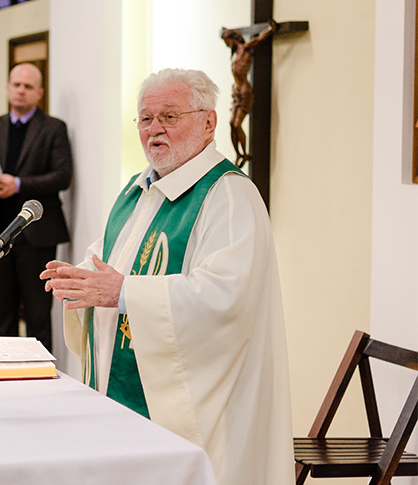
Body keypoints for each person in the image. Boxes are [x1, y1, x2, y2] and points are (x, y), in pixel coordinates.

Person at [40, 69, 293, 485]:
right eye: (145, 118)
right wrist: (80, 279)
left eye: (170, 117)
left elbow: (225, 296)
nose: (154, 129)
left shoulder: (228, 195)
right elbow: (108, 260)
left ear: (209, 123)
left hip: (197, 404)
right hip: (121, 394)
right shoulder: (137, 190)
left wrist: (124, 293)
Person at [0, 62, 73, 352]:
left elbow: (63, 176)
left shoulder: (53, 128)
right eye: (16, 85)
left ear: (39, 92)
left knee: (38, 316)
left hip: (36, 235)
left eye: (28, 86)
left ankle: (43, 379)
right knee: (2, 315)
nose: (21, 91)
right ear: (7, 88)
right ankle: (2, 373)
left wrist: (19, 185)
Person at [220, 20, 277, 168]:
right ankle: (238, 153)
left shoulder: (245, 49)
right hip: (236, 90)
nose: (227, 45)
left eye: (227, 41)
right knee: (231, 123)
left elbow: (259, 39)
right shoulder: (234, 54)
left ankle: (245, 153)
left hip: (244, 90)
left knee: (238, 123)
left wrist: (271, 29)